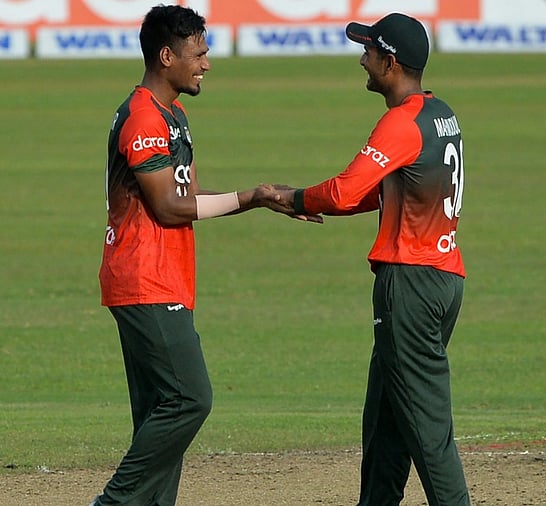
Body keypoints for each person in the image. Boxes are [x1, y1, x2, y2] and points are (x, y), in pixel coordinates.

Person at [93, 5, 314, 505]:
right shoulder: (144, 117)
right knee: (189, 399)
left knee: (160, 415)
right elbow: (168, 207)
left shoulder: (174, 114)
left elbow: (186, 197)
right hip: (144, 279)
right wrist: (251, 197)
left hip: (165, 276)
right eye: (198, 54)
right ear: (166, 56)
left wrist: (257, 200)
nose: (206, 64)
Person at [274, 12, 470, 505]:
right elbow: (386, 191)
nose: (362, 60)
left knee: (427, 430)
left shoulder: (401, 123)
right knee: (385, 418)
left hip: (411, 283)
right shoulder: (440, 114)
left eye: (369, 51)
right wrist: (313, 202)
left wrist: (293, 198)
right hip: (441, 278)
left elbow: (345, 190)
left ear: (391, 62)